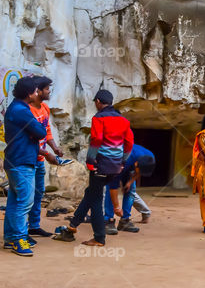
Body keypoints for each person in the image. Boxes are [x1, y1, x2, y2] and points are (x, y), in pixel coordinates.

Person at [54, 89, 133, 247]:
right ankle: (72, 227)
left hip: (100, 165)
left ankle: (99, 238)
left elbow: (96, 140)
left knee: (96, 200)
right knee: (91, 193)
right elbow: (129, 143)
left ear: (98, 102)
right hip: (116, 166)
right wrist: (123, 162)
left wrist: (90, 161)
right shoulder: (124, 121)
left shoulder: (99, 118)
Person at [2, 77, 47, 256]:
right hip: (22, 161)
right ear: (29, 93)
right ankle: (20, 239)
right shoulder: (22, 110)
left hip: (15, 160)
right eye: (36, 91)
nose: (38, 94)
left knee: (15, 200)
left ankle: (10, 238)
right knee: (25, 202)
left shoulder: (15, 107)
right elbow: (40, 132)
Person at [26, 76, 69, 239]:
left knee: (38, 193)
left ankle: (34, 226)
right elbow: (28, 140)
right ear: (38, 90)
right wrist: (47, 153)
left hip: (40, 159)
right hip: (29, 159)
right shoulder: (27, 110)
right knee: (26, 196)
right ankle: (21, 230)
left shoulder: (44, 108)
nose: (49, 91)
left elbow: (47, 131)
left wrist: (55, 147)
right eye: (47, 89)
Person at [104, 143, 155, 233]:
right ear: (136, 164)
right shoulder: (120, 163)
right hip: (114, 161)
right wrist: (117, 207)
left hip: (129, 163)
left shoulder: (150, 158)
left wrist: (130, 182)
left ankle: (125, 221)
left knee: (130, 190)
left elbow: (140, 171)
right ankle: (108, 221)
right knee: (110, 189)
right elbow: (113, 187)